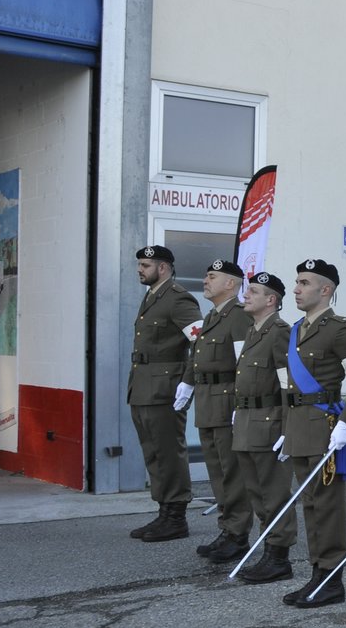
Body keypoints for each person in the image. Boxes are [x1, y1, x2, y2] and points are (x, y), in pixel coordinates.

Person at [280, 258, 346, 608]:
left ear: (325, 290)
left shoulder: (339, 330)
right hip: (300, 428)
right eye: (297, 282)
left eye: (304, 283)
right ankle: (316, 573)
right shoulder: (295, 330)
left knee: (328, 507)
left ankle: (331, 580)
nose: (296, 289)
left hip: (326, 428)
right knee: (310, 505)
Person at [181, 258, 256, 564]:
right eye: (206, 275)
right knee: (217, 471)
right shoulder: (213, 317)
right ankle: (226, 528)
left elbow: (244, 364)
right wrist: (186, 384)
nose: (205, 280)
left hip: (226, 400)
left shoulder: (238, 316)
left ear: (231, 283)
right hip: (208, 401)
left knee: (232, 471)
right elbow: (197, 356)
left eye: (212, 276)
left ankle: (237, 533)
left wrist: (241, 403)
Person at [127, 244, 203, 542]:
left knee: (169, 452)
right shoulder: (152, 297)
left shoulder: (178, 298)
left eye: (145, 265)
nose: (139, 269)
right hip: (144, 385)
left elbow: (201, 342)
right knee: (154, 452)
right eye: (140, 265)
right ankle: (164, 512)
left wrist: (187, 380)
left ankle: (176, 517)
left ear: (163, 267)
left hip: (165, 388)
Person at [232, 272, 298, 583]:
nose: (246, 295)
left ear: (271, 300)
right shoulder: (254, 331)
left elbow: (288, 385)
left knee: (273, 493)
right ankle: (268, 548)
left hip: (269, 423)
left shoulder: (279, 332)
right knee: (256, 493)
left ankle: (278, 557)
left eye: (254, 292)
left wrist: (288, 428)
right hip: (247, 421)